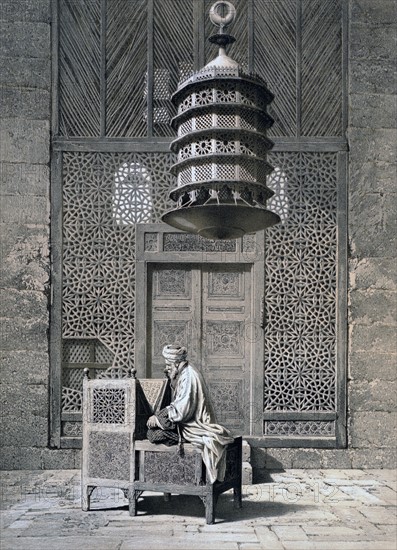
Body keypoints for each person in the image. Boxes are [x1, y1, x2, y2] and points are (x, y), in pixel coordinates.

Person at [146, 344, 234, 483]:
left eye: (169, 365)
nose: (166, 368)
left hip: (193, 426)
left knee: (153, 434)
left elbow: (182, 410)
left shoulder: (188, 376)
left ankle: (171, 476)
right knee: (154, 431)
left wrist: (157, 419)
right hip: (187, 422)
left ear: (177, 363)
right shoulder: (183, 372)